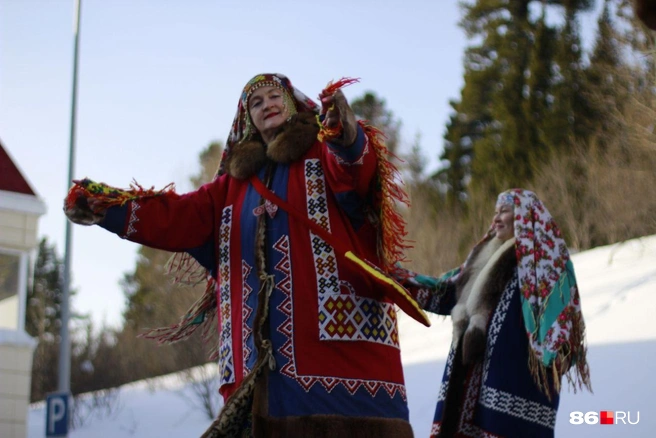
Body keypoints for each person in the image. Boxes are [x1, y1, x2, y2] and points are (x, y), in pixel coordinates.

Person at [64, 73, 429, 437]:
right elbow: (173, 217)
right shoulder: (228, 189)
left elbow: (354, 169)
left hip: (344, 369)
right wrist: (106, 207)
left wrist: (344, 133)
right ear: (247, 119)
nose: (267, 104)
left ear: (292, 104)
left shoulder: (323, 152)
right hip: (253, 379)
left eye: (275, 97)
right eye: (257, 102)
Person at [397, 189, 591, 438]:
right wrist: (399, 279)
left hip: (513, 390)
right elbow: (445, 292)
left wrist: (557, 349)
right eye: (495, 213)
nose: (496, 218)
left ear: (523, 216)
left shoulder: (544, 262)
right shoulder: (482, 261)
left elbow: (562, 316)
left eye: (504, 211)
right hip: (469, 387)